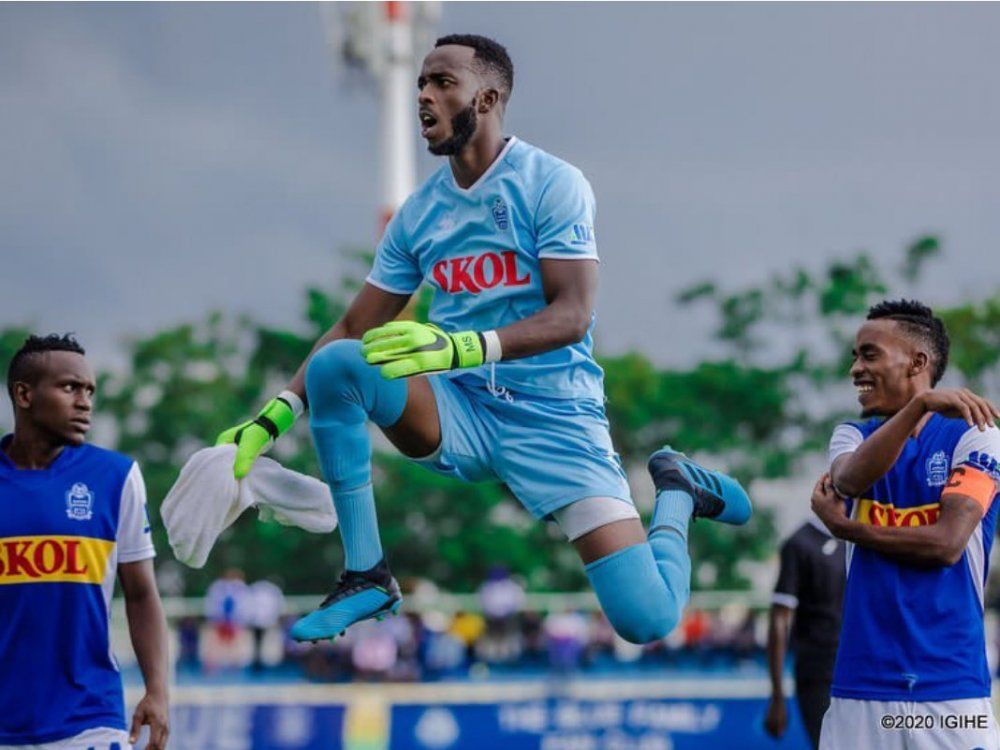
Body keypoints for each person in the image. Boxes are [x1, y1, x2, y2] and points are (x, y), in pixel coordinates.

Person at [217, 34, 751, 646]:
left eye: (443, 82)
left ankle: (678, 491)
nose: (424, 95)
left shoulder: (552, 183)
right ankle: (367, 573)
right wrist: (274, 416)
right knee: (340, 363)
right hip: (461, 408)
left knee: (646, 620)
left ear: (488, 98)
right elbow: (350, 326)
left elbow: (573, 314)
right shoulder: (419, 214)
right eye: (421, 82)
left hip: (553, 418)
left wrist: (460, 347)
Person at [810, 300, 1000, 750]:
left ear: (917, 362)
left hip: (951, 690)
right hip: (860, 687)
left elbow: (946, 544)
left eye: (869, 354)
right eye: (855, 356)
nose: (856, 369)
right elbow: (849, 479)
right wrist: (917, 407)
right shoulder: (851, 436)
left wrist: (850, 529)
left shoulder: (977, 434)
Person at [0, 335, 169, 750]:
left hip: (90, 719)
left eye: (90, 390)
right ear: (24, 394)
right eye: (70, 387)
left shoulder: (115, 477)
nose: (85, 402)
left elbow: (141, 594)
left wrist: (157, 690)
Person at [764, 515, 845, 748]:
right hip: (818, 673)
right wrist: (777, 696)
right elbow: (779, 618)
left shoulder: (859, 538)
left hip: (859, 670)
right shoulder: (799, 544)